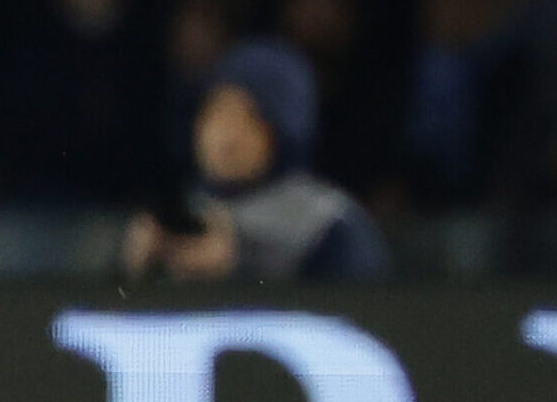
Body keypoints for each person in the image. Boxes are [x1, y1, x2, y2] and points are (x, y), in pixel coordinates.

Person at [123, 38, 388, 282]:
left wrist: (238, 269)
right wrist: (134, 270)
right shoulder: (184, 213)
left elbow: (361, 319)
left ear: (284, 130)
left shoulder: (329, 225)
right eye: (216, 111)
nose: (225, 132)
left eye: (249, 116)